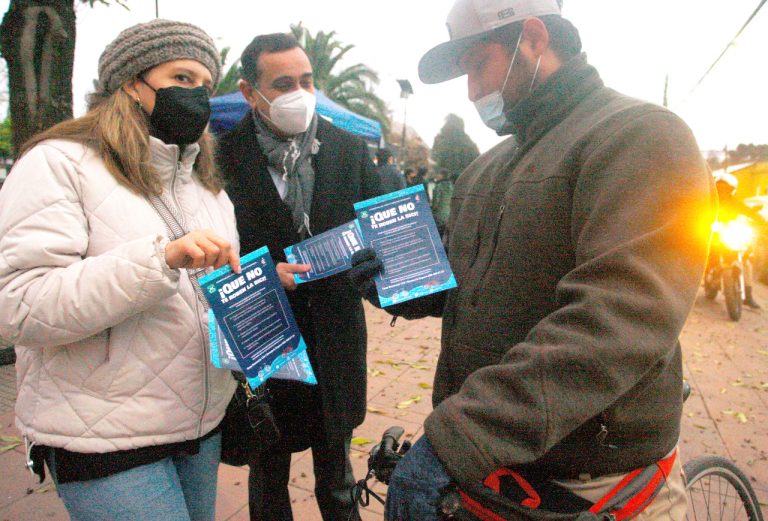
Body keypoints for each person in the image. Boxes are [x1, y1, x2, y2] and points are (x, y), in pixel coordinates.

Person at [349, 1, 714, 519]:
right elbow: (474, 281)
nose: (472, 90)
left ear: (535, 39)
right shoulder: (485, 168)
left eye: (480, 65)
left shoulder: (639, 136)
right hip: (491, 468)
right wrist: (403, 286)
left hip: (593, 483)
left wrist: (460, 436)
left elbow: (617, 319)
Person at [0, 19, 239, 521]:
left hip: (200, 426)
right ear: (131, 82)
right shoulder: (58, 163)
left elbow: (208, 297)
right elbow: (17, 305)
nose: (196, 95)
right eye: (182, 78)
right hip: (102, 438)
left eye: (205, 84)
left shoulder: (207, 186)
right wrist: (160, 260)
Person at [215, 32, 381, 521]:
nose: (299, 94)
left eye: (306, 81)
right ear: (250, 93)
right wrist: (263, 275)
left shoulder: (347, 149)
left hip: (335, 341)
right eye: (283, 84)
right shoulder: (221, 158)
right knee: (269, 480)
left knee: (338, 482)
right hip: (266, 345)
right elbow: (208, 253)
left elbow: (378, 232)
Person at [712, 172, 766, 308]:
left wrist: (760, 220)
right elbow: (696, 214)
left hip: (730, 234)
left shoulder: (735, 203)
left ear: (732, 189)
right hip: (713, 235)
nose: (723, 190)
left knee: (746, 261)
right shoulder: (710, 202)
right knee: (700, 253)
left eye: (726, 188)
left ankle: (748, 295)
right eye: (720, 187)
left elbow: (748, 212)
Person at [430, 167, 454, 234]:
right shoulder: (452, 186)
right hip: (449, 215)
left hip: (440, 215)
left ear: (442, 175)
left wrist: (432, 210)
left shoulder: (438, 186)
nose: (436, 176)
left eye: (438, 174)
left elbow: (436, 202)